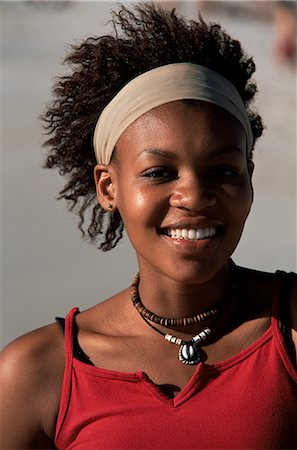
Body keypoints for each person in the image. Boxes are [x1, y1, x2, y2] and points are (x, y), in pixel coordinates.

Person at [0, 3, 296, 449]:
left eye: (224, 171)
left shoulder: (289, 331)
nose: (194, 196)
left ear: (249, 178)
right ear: (108, 187)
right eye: (159, 172)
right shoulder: (39, 374)